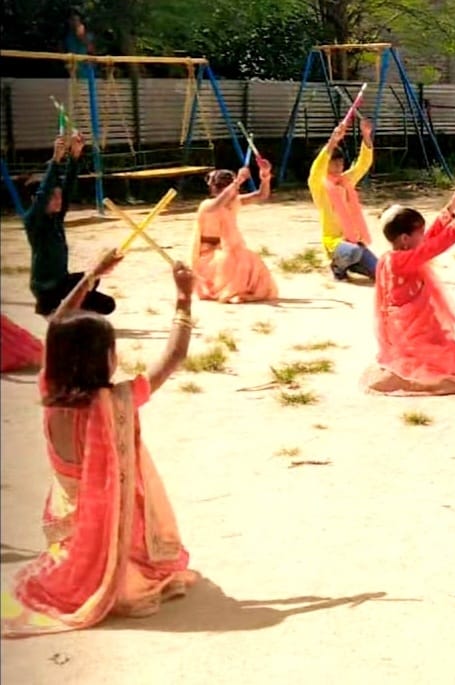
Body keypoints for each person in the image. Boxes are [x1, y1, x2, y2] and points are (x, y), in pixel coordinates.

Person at [2, 251, 200, 638]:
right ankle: (114, 565)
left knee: (85, 527)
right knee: (136, 539)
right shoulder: (117, 402)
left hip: (68, 515)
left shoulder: (49, 388)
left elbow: (57, 325)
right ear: (106, 359)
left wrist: (91, 276)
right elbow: (174, 356)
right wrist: (183, 298)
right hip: (107, 521)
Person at [361, 194, 455, 396]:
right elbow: (432, 247)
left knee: (446, 350)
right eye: (419, 232)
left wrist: (451, 208)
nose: (423, 235)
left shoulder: (391, 257)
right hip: (412, 328)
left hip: (411, 323)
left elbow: (427, 241)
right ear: (405, 238)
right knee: (453, 362)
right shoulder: (400, 261)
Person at [24, 133, 115, 318]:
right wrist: (55, 160)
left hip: (62, 282)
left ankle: (67, 307)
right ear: (37, 200)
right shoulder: (33, 220)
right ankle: (50, 307)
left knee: (105, 301)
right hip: (46, 289)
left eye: (59, 196)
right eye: (53, 197)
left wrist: (74, 155)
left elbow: (69, 186)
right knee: (90, 286)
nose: (59, 200)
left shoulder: (56, 217)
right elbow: (43, 193)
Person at [191, 164, 278, 303]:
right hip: (208, 256)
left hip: (227, 251)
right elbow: (217, 205)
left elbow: (261, 195)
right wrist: (237, 181)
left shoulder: (235, 201)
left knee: (248, 258)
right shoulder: (207, 205)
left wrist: (265, 177)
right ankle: (232, 291)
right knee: (231, 259)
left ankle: (243, 291)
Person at [309, 117, 377, 282]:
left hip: (354, 239)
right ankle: (338, 267)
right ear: (327, 164)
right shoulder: (319, 184)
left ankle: (352, 264)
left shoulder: (346, 180)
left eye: (340, 162)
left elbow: (363, 164)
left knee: (379, 270)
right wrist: (333, 141)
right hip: (334, 242)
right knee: (353, 252)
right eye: (334, 163)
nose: (339, 166)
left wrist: (366, 135)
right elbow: (317, 168)